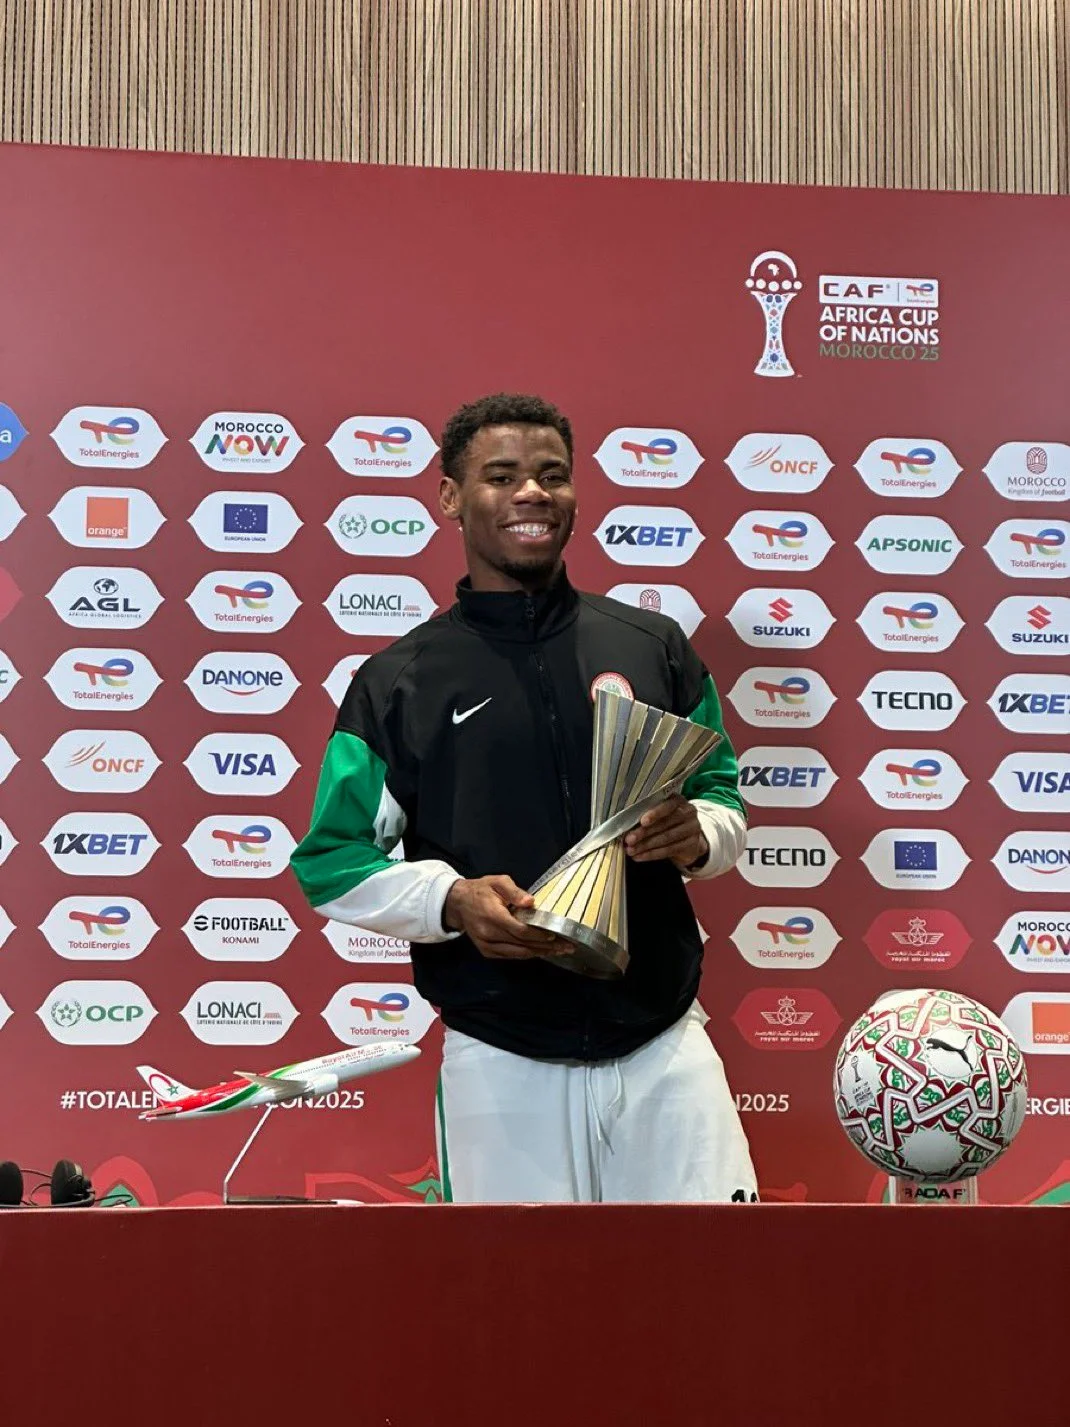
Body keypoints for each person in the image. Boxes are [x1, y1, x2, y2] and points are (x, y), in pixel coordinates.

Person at [290, 392, 757, 1204]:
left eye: (552, 475)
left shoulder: (652, 648)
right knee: (516, 1286)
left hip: (664, 1039)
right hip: (499, 1054)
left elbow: (722, 794)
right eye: (502, 476)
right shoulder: (399, 682)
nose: (532, 493)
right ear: (450, 496)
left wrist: (699, 833)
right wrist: (451, 899)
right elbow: (330, 862)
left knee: (715, 1275)